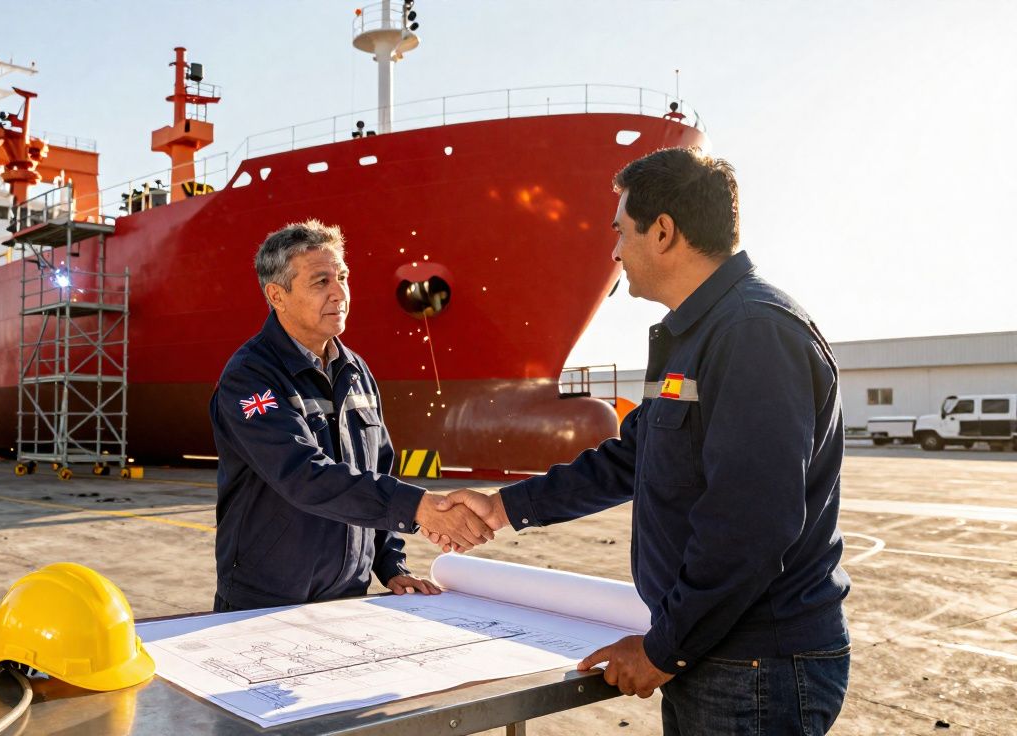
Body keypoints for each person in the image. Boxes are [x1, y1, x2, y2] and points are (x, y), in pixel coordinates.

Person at [430, 148, 851, 735]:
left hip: (754, 664)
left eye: (620, 232)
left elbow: (751, 524)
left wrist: (663, 651)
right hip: (719, 652)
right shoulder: (696, 335)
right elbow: (631, 459)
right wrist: (502, 508)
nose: (614, 252)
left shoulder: (753, 334)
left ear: (662, 232)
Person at [209, 219, 493, 613]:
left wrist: (390, 565)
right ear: (277, 295)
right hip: (264, 602)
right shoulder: (250, 376)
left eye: (342, 276)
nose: (339, 292)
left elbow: (380, 469)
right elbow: (302, 475)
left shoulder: (355, 370)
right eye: (321, 281)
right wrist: (417, 507)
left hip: (348, 599)